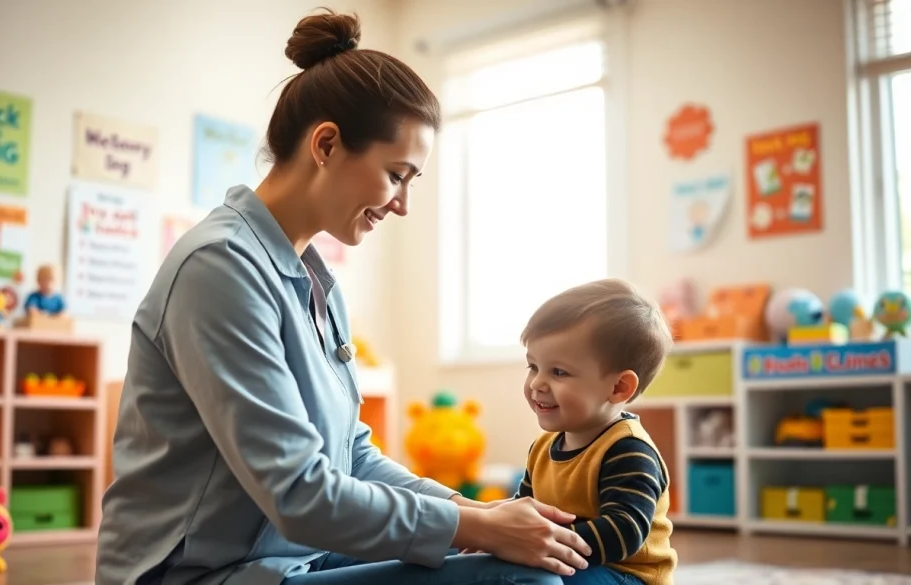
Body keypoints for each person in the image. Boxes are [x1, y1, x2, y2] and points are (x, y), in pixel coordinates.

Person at [96, 7, 592, 585]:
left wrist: (479, 512)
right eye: (396, 174)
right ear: (326, 145)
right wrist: (477, 528)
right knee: (515, 578)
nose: (402, 204)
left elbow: (351, 455)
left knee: (504, 555)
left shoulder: (313, 280)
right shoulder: (220, 268)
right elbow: (300, 494)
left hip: (286, 558)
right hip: (202, 574)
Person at [512, 279, 679, 585]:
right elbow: (526, 508)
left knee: (542, 580)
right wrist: (503, 532)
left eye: (558, 372)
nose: (537, 383)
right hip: (573, 561)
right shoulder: (543, 446)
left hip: (627, 574)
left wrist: (543, 542)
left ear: (618, 387)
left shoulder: (627, 449)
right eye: (533, 367)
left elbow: (624, 531)